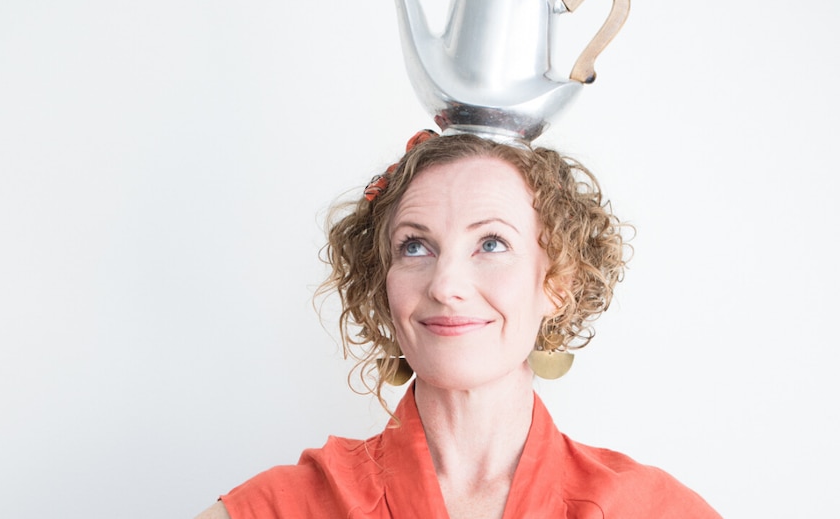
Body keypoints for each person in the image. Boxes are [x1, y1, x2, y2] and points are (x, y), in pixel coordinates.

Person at [195, 131, 722, 518]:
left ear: (557, 283)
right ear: (384, 286)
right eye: (415, 246)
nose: (446, 284)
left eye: (491, 244)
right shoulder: (275, 512)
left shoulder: (654, 511)